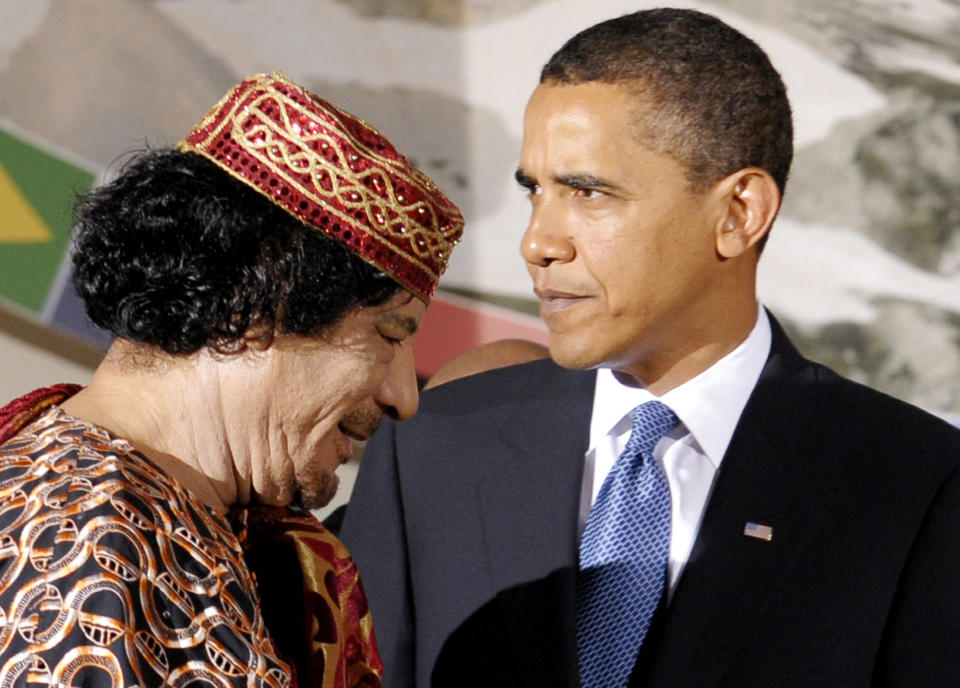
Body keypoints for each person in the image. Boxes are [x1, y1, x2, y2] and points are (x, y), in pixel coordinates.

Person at [340, 9, 960, 687]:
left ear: (739, 213)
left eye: (587, 191)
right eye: (535, 192)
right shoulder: (430, 454)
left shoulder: (915, 487)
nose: (539, 242)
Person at [0, 73, 464, 688]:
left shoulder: (151, 512)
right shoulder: (87, 542)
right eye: (390, 334)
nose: (403, 397)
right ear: (255, 305)